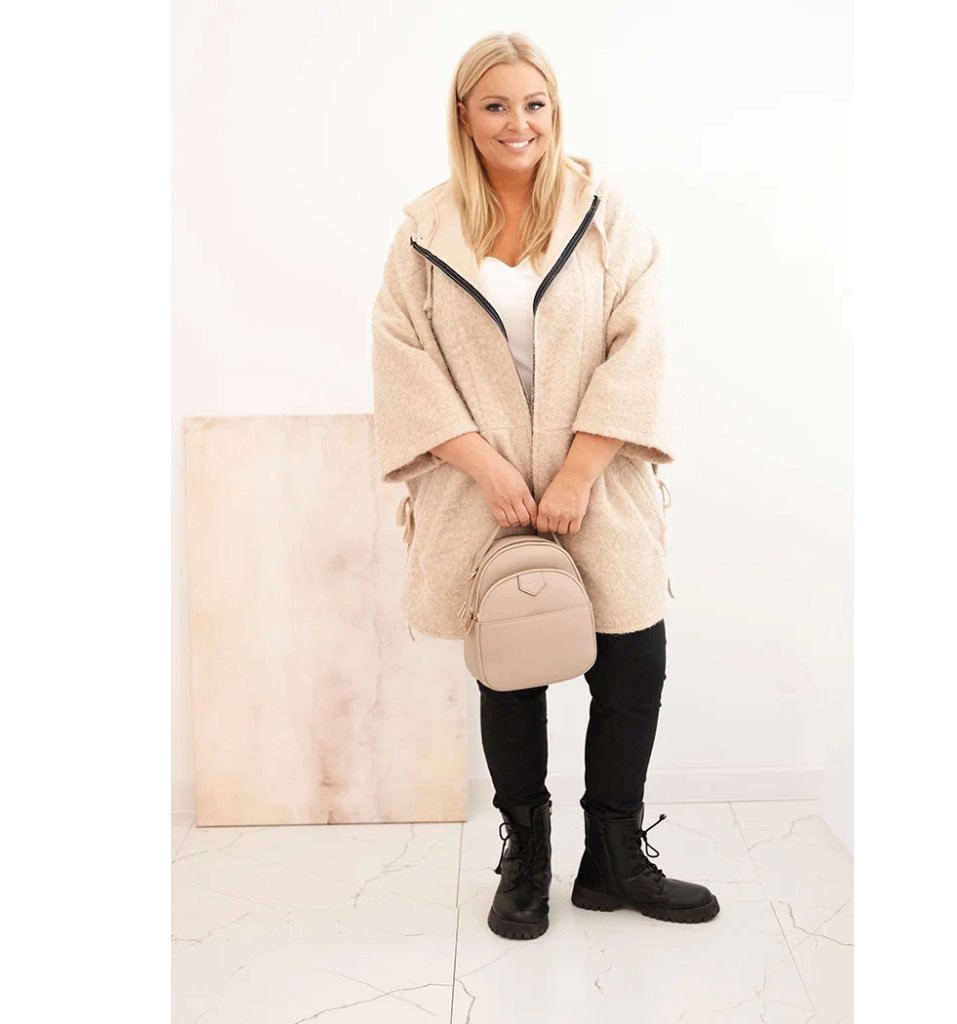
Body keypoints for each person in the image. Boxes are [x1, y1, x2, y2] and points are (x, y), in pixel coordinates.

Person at [370, 31, 720, 941]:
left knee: (633, 662)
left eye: (533, 104)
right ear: (464, 117)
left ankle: (613, 859)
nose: (517, 122)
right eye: (495, 106)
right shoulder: (424, 233)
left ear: (553, 109)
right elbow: (403, 360)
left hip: (598, 479)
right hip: (479, 490)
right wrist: (487, 469)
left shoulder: (607, 216)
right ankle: (525, 860)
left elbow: (643, 344)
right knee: (513, 668)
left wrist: (578, 471)